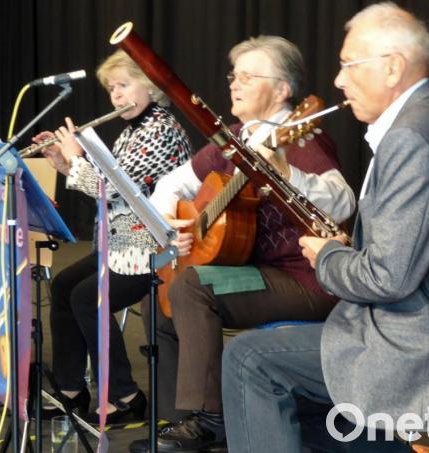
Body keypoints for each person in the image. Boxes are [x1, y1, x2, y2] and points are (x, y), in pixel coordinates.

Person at [222, 3, 429, 452]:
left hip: (424, 345)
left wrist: (330, 256)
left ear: (392, 68)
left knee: (249, 358)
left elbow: (387, 278)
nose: (337, 80)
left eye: (348, 65)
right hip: (426, 323)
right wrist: (348, 250)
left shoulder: (411, 139)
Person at [131, 36, 356, 452]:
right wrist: (171, 221)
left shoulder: (298, 136)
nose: (234, 84)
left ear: (282, 89)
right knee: (157, 293)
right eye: (235, 75)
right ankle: (180, 420)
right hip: (258, 273)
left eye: (249, 77)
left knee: (193, 287)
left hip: (305, 279)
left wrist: (285, 173)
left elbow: (343, 198)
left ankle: (212, 419)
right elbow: (172, 183)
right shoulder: (234, 137)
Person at [30, 49, 192, 423]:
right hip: (123, 246)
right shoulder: (131, 131)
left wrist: (76, 158)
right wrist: (62, 161)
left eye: (124, 85)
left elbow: (112, 188)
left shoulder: (162, 130)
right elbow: (106, 188)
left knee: (89, 298)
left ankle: (125, 395)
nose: (117, 96)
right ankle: (71, 390)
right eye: (112, 89)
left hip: (161, 248)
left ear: (150, 85)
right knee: (64, 286)